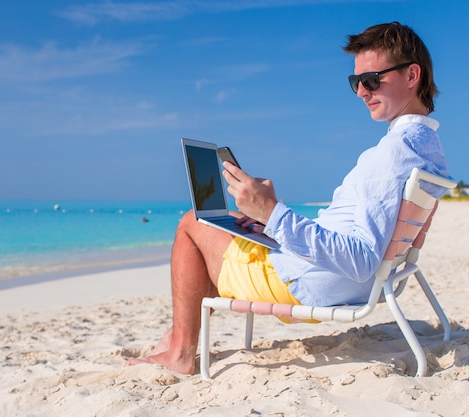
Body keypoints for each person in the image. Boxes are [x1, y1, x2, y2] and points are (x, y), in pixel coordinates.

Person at [126, 21, 449, 375]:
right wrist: (270, 221)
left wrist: (273, 213)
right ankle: (176, 337)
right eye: (355, 82)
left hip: (310, 284)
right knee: (231, 225)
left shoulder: (392, 153)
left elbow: (361, 261)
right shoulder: (427, 148)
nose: (361, 91)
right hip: (349, 280)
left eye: (371, 79)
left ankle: (179, 352)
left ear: (411, 75)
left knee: (192, 224)